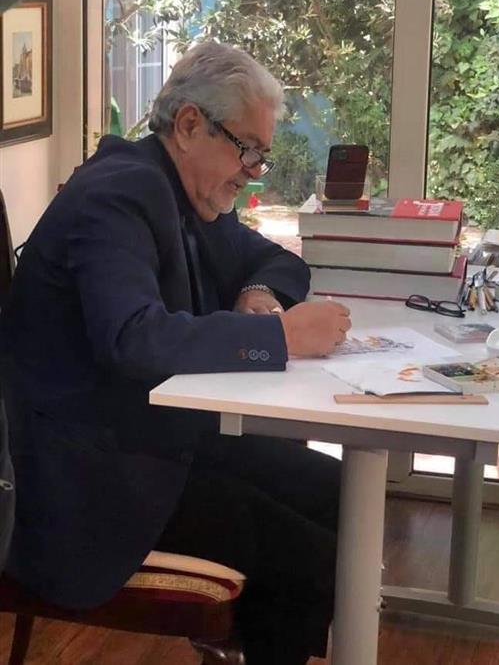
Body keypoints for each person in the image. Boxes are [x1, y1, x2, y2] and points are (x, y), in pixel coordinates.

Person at [0, 39, 351, 665]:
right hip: (88, 482)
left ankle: (247, 641)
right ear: (190, 125)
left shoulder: (184, 190)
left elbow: (276, 260)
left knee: (346, 493)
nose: (253, 170)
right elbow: (133, 337)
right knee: (312, 558)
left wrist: (260, 294)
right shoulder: (119, 194)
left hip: (155, 441)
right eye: (247, 148)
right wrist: (281, 337)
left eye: (261, 155)